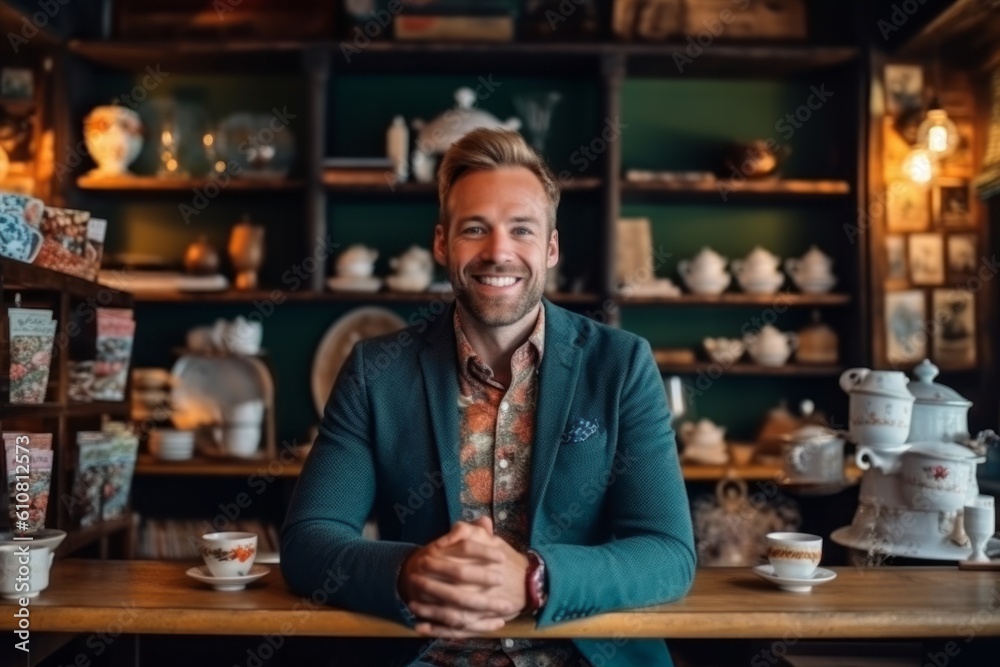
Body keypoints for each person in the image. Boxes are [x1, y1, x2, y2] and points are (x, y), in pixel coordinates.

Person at [281, 128, 695, 667]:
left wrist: (533, 578)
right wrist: (411, 571)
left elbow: (667, 553)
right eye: (475, 229)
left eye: (521, 230)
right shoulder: (375, 371)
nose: (498, 252)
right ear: (441, 244)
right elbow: (309, 541)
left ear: (549, 248)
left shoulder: (620, 365)